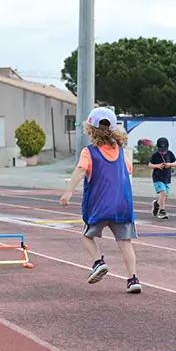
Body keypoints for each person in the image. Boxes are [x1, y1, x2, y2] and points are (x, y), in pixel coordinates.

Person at [60, 107, 141, 293]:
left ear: (90, 129)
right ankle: (133, 279)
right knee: (125, 243)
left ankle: (98, 262)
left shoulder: (89, 152)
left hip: (100, 204)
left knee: (87, 236)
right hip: (122, 204)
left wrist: (68, 192)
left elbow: (81, 169)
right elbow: (129, 170)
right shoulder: (120, 150)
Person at [148, 137, 176, 219]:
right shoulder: (155, 155)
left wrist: (170, 164)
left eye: (164, 150)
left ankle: (157, 204)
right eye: (161, 150)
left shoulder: (170, 154)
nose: (163, 152)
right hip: (157, 177)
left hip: (166, 178)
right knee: (163, 193)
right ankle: (162, 211)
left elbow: (175, 163)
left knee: (165, 197)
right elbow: (150, 165)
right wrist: (157, 166)